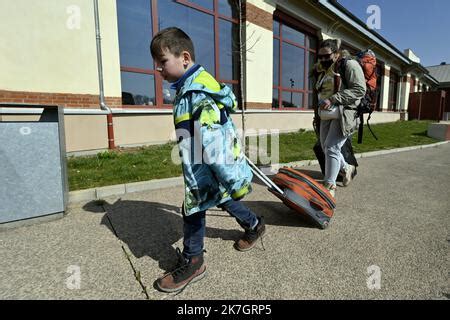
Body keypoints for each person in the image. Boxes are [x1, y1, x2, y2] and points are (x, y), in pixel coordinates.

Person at [150, 27, 265, 293]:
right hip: (205, 168)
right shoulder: (187, 89)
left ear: (185, 58)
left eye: (163, 61)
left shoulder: (197, 94)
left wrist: (232, 178)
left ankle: (194, 261)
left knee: (192, 210)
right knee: (222, 198)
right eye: (157, 64)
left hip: (206, 168)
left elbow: (214, 144)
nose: (158, 68)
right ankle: (255, 224)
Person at [313, 39, 366, 197]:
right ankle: (346, 168)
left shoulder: (349, 65)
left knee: (331, 148)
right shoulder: (324, 70)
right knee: (325, 147)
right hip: (326, 114)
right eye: (320, 56)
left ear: (336, 54)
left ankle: (329, 187)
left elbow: (359, 89)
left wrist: (334, 99)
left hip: (343, 113)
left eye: (326, 55)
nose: (322, 59)